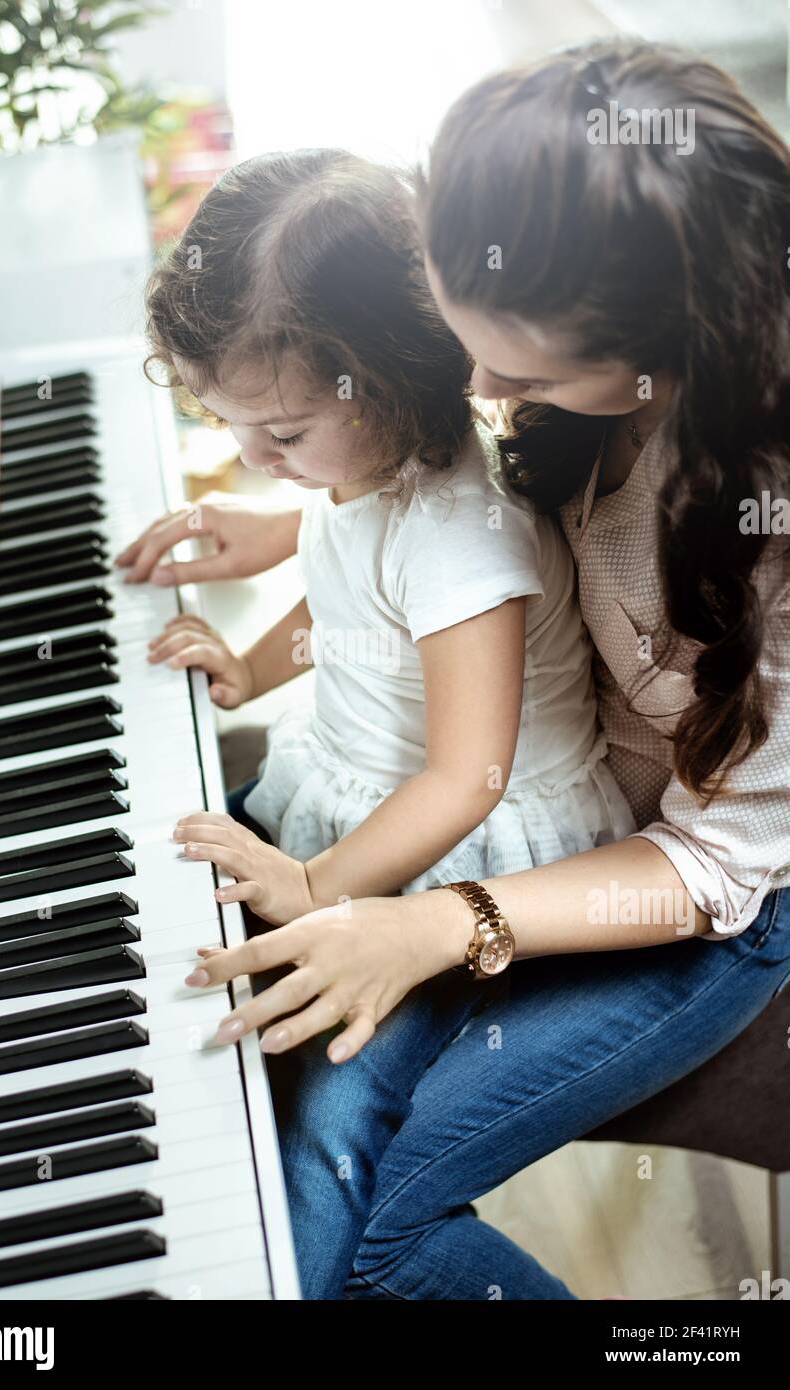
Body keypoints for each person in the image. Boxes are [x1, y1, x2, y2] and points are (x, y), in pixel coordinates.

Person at [118, 39, 790, 1299]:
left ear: (680, 341)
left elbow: (705, 856)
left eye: (522, 376)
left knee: (345, 1237)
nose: (475, 394)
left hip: (686, 890)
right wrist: (296, 523)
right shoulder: (518, 360)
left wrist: (422, 919)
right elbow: (420, 514)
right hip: (495, 801)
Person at [118, 147, 633, 928]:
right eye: (230, 423)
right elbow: (348, 603)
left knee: (341, 1037)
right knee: (165, 867)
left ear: (391, 387)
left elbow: (467, 779)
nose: (251, 459)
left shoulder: (457, 541)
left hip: (459, 847)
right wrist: (248, 673)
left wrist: (316, 889)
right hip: (368, 787)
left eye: (282, 433)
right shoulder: (361, 463)